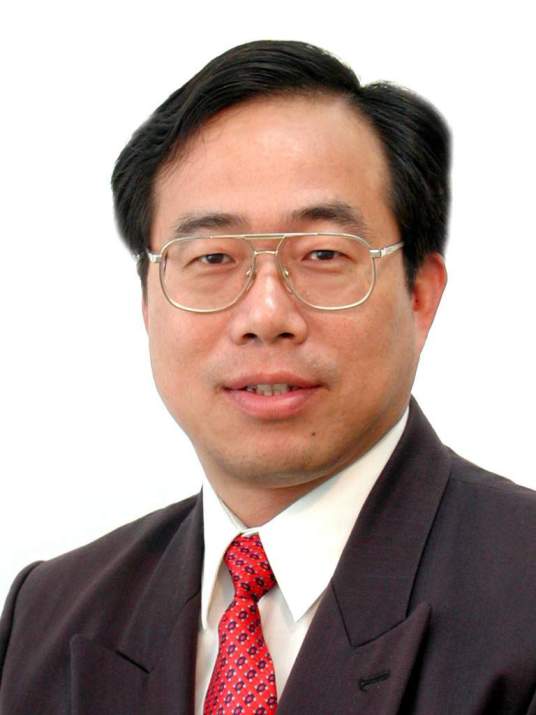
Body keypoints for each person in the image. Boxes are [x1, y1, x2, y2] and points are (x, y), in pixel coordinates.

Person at [1, 39, 535, 715]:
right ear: (147, 301)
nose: (266, 315)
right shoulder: (47, 615)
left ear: (420, 294)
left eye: (323, 254)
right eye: (212, 256)